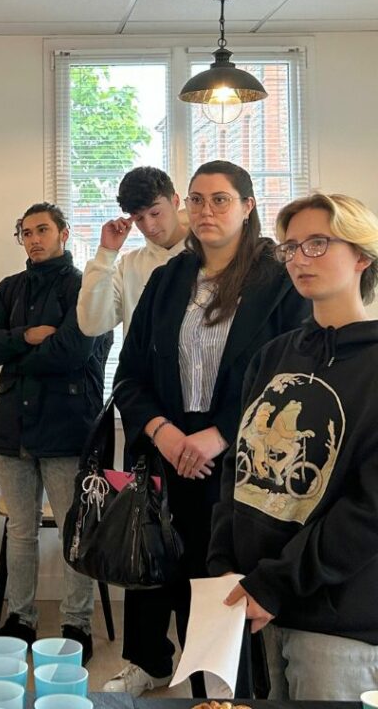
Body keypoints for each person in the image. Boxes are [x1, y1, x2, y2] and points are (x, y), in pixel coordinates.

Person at [113, 160, 308, 695]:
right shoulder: (167, 279)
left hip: (243, 463)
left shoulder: (280, 282)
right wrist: (163, 432)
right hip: (168, 453)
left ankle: (227, 695)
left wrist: (219, 434)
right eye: (196, 199)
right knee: (165, 576)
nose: (206, 211)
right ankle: (168, 673)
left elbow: (293, 381)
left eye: (220, 199)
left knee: (224, 588)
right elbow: (129, 375)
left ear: (247, 207)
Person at [209, 193, 378, 701]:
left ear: (362, 256)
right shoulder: (273, 355)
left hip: (334, 622)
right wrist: (224, 563)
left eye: (318, 243)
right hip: (254, 601)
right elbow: (238, 470)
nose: (300, 258)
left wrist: (277, 584)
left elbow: (368, 511)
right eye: (291, 247)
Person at [0, 202, 111, 664]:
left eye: (42, 230)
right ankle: (21, 618)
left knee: (75, 532)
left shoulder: (85, 286)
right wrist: (28, 337)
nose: (33, 239)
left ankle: (77, 623)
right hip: (12, 429)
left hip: (67, 428)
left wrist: (12, 351)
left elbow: (73, 351)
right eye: (26, 232)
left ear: (64, 233)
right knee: (21, 530)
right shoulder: (9, 288)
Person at [75, 167, 189, 694]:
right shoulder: (132, 263)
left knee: (202, 543)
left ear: (176, 200)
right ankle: (148, 660)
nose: (150, 226)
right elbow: (93, 323)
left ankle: (204, 659)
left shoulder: (211, 255)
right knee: (143, 534)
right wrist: (105, 254)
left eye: (155, 213)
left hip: (204, 420)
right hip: (146, 415)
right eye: (139, 218)